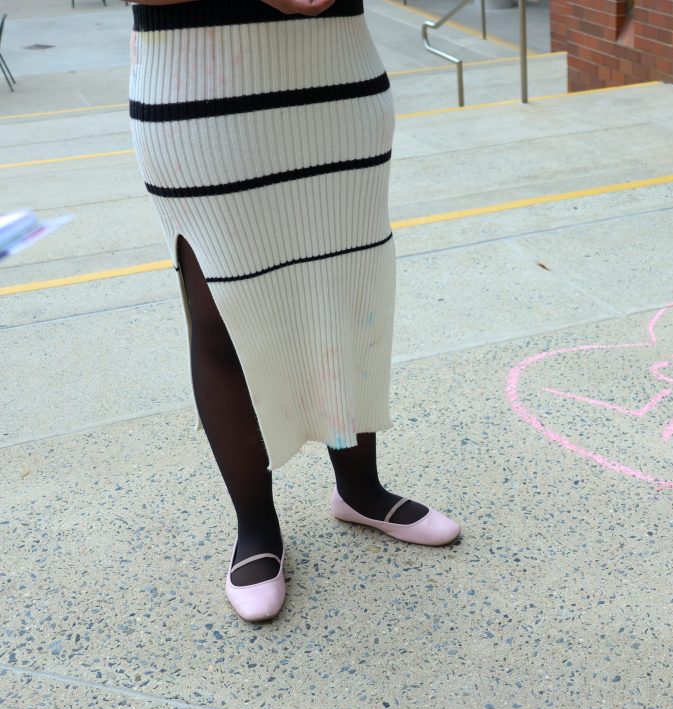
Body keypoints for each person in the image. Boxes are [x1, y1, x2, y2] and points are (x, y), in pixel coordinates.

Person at [128, 0, 461, 622]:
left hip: (335, 75)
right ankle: (255, 524)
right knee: (221, 310)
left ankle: (359, 488)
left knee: (348, 287)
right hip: (200, 86)